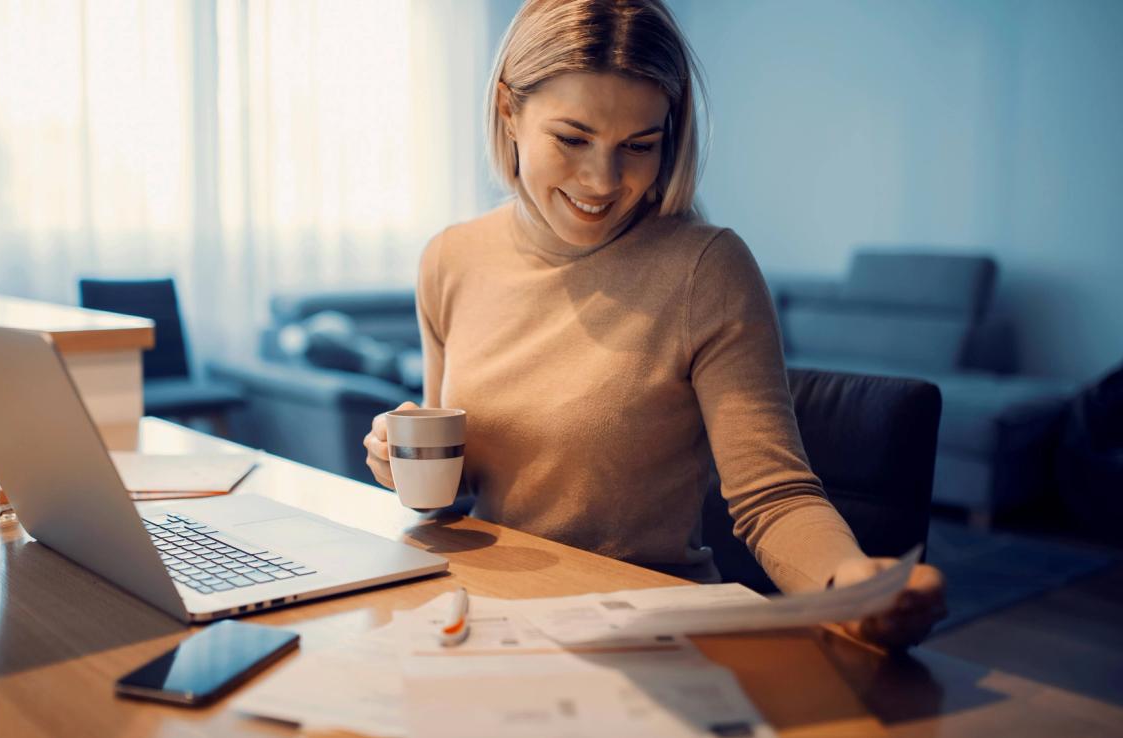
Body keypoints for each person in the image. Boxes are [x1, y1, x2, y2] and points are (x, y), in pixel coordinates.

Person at [364, 0, 946, 649]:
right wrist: (401, 459)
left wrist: (852, 585)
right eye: (573, 138)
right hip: (495, 613)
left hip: (645, 628)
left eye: (639, 146)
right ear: (508, 110)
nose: (604, 181)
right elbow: (456, 486)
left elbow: (772, 499)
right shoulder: (452, 258)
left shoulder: (706, 267)